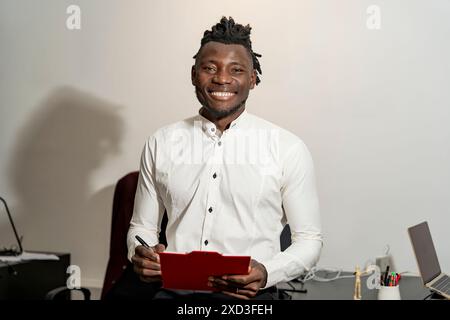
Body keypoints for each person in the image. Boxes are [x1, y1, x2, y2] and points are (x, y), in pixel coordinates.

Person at [126, 16, 323, 300]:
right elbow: (141, 227)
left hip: (249, 299)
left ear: (253, 79)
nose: (221, 78)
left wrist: (267, 271)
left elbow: (309, 241)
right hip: (174, 295)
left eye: (236, 70)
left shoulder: (287, 148)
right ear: (194, 74)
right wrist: (138, 251)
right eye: (210, 68)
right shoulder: (161, 142)